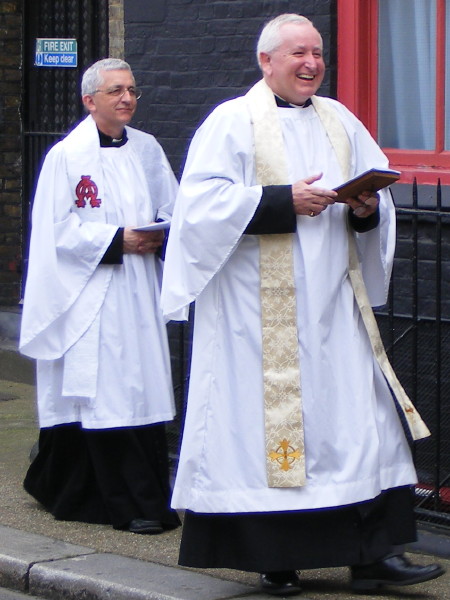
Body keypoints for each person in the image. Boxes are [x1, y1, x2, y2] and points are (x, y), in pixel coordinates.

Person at [161, 14, 444, 596]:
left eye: (317, 52)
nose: (312, 62)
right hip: (257, 319)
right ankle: (277, 559)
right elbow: (200, 207)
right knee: (273, 436)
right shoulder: (231, 122)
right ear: (266, 62)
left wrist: (364, 207)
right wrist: (282, 200)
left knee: (357, 430)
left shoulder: (340, 119)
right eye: (298, 53)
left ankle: (373, 555)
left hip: (335, 309)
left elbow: (377, 200)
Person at [20, 58, 181, 535]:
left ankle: (149, 494)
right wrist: (117, 240)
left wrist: (162, 234)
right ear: (90, 101)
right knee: (106, 392)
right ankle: (119, 502)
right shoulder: (67, 157)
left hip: (138, 290)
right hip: (92, 292)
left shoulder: (148, 150)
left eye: (132, 90)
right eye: (115, 91)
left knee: (142, 388)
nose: (127, 98)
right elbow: (55, 229)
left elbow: (174, 208)